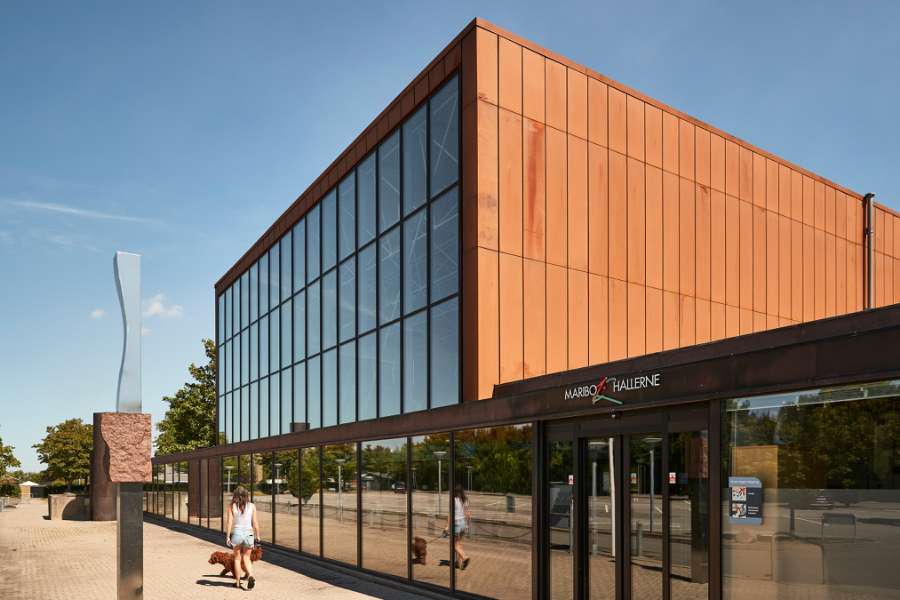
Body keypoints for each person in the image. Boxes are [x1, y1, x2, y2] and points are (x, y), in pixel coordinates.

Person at [224, 486, 259, 590]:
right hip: (249, 533)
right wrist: (258, 536)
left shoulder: (232, 506)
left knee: (237, 559)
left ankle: (238, 583)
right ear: (246, 495)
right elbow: (255, 523)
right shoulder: (252, 506)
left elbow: (229, 522)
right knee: (247, 558)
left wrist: (227, 536)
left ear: (235, 495)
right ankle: (251, 575)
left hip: (237, 533)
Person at [444, 484, 471, 570]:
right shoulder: (465, 499)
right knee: (458, 543)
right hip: (463, 523)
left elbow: (450, 514)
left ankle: (464, 557)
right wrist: (467, 525)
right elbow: (468, 513)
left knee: (454, 545)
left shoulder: (453, 500)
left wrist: (447, 527)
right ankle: (458, 564)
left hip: (456, 523)